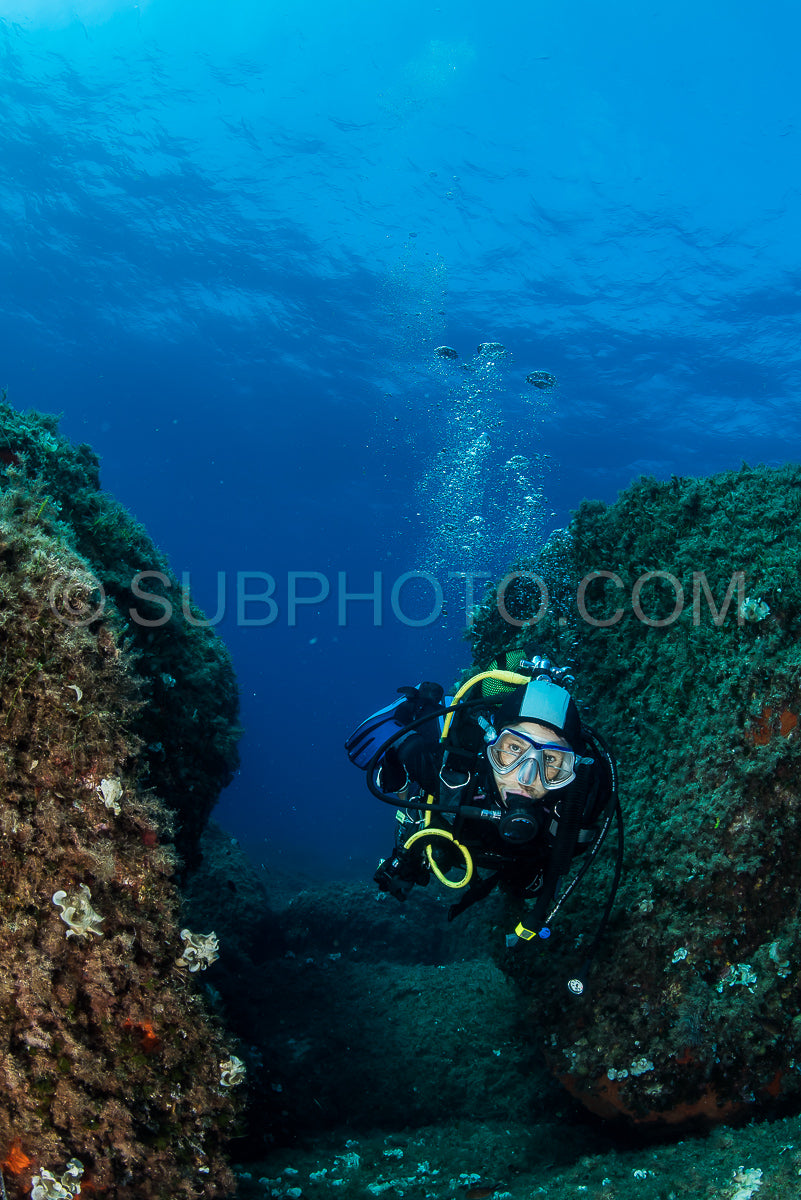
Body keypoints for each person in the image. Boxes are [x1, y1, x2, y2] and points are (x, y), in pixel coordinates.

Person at [346, 650, 623, 991]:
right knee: (437, 853)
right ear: (489, 742)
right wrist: (407, 737)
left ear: (572, 770)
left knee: (521, 887)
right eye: (512, 749)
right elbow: (360, 738)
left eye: (551, 761)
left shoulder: (584, 798)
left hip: (524, 862)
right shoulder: (458, 752)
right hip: (452, 834)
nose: (525, 777)